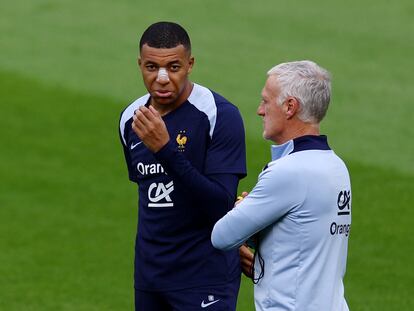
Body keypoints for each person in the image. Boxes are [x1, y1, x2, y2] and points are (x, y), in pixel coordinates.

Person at [118, 21, 246, 311]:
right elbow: (151, 195)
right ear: (139, 64)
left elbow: (221, 204)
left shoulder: (219, 115)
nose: (162, 78)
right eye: (151, 67)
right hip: (150, 278)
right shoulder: (131, 119)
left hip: (205, 278)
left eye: (173, 67)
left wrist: (165, 150)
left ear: (190, 64)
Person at [212, 60, 352, 311]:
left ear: (290, 107)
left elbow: (222, 236)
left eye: (266, 101)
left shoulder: (288, 172)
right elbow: (303, 238)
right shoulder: (337, 166)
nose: (260, 110)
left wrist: (244, 212)